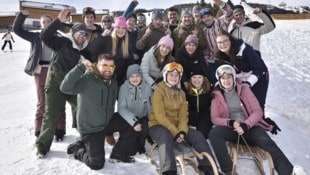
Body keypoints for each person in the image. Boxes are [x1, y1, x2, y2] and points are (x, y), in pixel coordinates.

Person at [208, 64, 304, 175]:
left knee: (267, 142)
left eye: (229, 77)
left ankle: (287, 172)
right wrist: (232, 123)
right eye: (223, 78)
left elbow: (257, 111)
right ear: (219, 80)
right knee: (214, 133)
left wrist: (246, 124)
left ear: (233, 77)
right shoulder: (216, 95)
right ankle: (228, 171)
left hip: (250, 128)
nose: (226, 81)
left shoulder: (244, 89)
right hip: (233, 130)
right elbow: (215, 118)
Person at [35, 9, 89, 157]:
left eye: (85, 34)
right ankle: (42, 146)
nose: (82, 37)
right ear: (73, 33)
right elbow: (45, 36)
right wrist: (58, 21)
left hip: (71, 85)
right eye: (79, 33)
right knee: (51, 115)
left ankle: (85, 137)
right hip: (55, 84)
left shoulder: (83, 50)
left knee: (84, 107)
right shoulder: (63, 42)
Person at [149, 62, 215, 175]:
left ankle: (208, 167)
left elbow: (183, 115)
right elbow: (160, 116)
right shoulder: (159, 91)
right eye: (171, 75)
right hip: (158, 126)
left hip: (177, 127)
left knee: (198, 135)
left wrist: (182, 131)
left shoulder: (181, 93)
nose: (174, 78)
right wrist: (175, 132)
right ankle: (169, 171)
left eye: (176, 75)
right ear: (165, 76)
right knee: (165, 136)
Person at [12, 10, 66, 140]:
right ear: (40, 24)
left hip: (55, 70)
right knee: (42, 101)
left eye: (49, 21)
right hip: (40, 70)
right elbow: (17, 29)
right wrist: (22, 16)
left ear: (52, 23)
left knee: (58, 100)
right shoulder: (35, 37)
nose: (46, 23)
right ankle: (39, 130)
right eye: (44, 22)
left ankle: (59, 130)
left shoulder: (59, 37)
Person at [215, 31, 281, 135]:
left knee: (257, 103)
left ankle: (261, 128)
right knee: (245, 102)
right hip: (242, 79)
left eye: (225, 41)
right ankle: (247, 123)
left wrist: (249, 83)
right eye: (219, 43)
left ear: (231, 40)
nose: (223, 44)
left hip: (259, 77)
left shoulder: (245, 49)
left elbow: (259, 69)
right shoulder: (221, 56)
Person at [61, 54, 118, 170]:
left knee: (130, 123)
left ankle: (122, 150)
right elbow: (65, 87)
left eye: (111, 66)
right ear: (97, 65)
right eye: (104, 65)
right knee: (96, 164)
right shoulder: (87, 79)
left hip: (106, 122)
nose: (108, 69)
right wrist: (80, 67)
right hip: (91, 127)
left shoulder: (112, 80)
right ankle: (78, 148)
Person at [117, 64, 152, 154]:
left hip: (141, 116)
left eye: (137, 76)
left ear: (141, 77)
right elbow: (121, 108)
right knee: (130, 146)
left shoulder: (147, 88)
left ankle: (141, 144)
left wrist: (152, 121)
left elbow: (149, 106)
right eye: (132, 76)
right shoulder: (123, 88)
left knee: (144, 128)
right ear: (128, 78)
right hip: (128, 118)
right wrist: (133, 121)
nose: (135, 78)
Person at [200, 0, 233, 84]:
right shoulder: (204, 31)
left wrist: (221, 4)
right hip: (212, 61)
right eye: (204, 17)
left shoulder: (220, 22)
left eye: (208, 16)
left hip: (225, 59)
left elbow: (229, 14)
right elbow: (206, 47)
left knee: (227, 82)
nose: (206, 18)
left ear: (212, 16)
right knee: (215, 84)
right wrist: (206, 57)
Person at [185, 65, 212, 139]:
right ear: (190, 79)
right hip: (192, 115)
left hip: (204, 116)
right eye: (194, 77)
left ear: (204, 78)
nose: (197, 80)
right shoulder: (186, 92)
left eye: (199, 77)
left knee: (202, 134)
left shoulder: (210, 91)